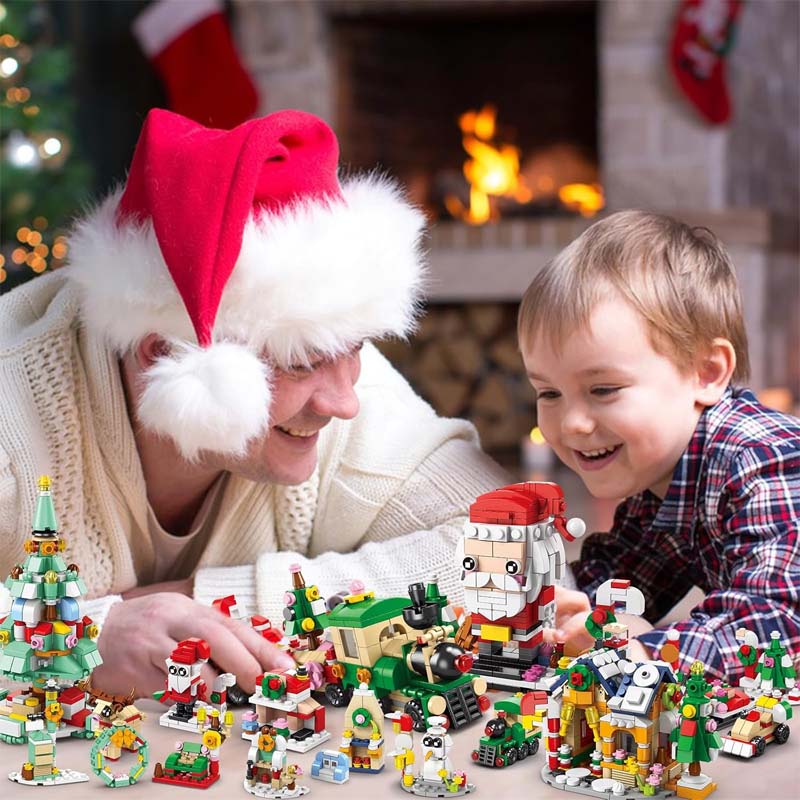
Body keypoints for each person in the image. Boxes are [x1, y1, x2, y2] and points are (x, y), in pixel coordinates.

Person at [0, 108, 509, 695]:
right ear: (164, 353)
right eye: (301, 362)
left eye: (354, 349)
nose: (345, 402)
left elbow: (515, 550)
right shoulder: (16, 411)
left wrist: (214, 603)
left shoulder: (334, 365)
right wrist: (82, 637)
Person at [516, 210, 800, 681]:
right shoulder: (663, 480)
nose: (572, 423)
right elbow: (626, 578)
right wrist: (572, 612)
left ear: (705, 373)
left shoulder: (763, 460)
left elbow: (777, 623)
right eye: (549, 393)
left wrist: (646, 654)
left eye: (603, 389)